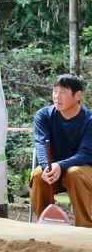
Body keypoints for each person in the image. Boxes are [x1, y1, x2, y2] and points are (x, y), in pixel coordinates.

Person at [29, 73, 92, 228]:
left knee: (73, 173)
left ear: (78, 95)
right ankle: (44, 226)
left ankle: (85, 228)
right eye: (55, 91)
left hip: (83, 170)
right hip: (53, 170)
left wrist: (61, 165)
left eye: (62, 92)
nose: (57, 97)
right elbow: (41, 145)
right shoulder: (44, 115)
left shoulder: (89, 120)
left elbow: (85, 154)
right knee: (38, 174)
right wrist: (47, 167)